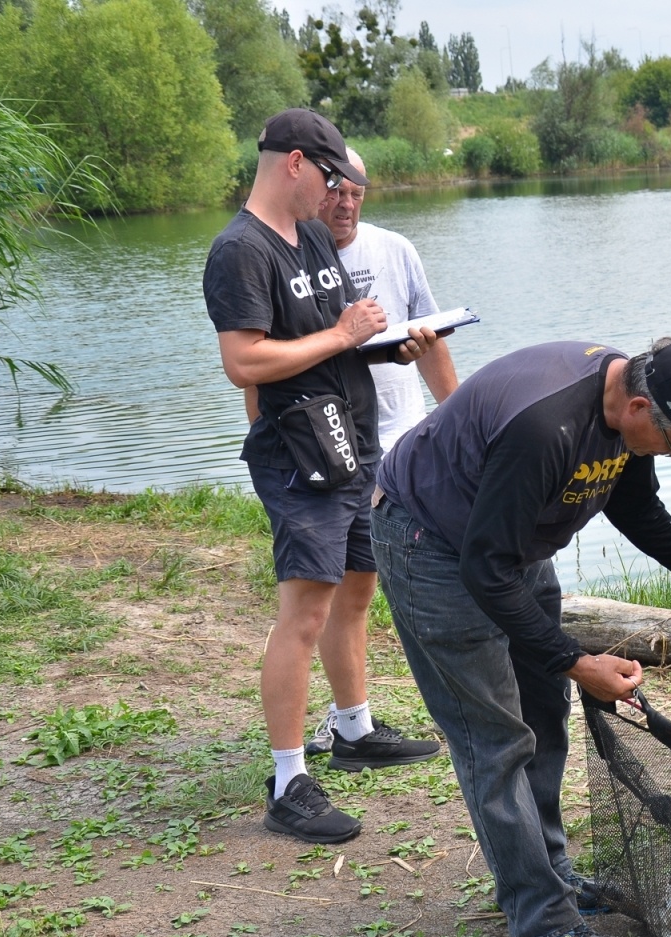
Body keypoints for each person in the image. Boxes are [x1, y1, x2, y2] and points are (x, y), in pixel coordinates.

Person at [370, 337, 671, 937]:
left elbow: (635, 508)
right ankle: (539, 920)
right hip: (435, 548)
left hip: (511, 549)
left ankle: (551, 873)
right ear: (640, 406)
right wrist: (577, 661)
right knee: (495, 740)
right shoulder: (545, 427)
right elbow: (484, 567)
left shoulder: (627, 411)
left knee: (544, 715)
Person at [203, 108, 441, 846]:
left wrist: (383, 347)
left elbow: (331, 339)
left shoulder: (309, 237)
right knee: (303, 614)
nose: (338, 196)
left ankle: (353, 729)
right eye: (331, 177)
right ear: (297, 163)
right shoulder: (239, 251)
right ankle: (287, 781)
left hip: (352, 442)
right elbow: (245, 360)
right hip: (297, 453)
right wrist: (342, 334)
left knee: (357, 589)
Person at [299, 145, 460, 758]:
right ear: (311, 183)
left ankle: (356, 724)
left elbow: (434, 338)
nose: (344, 204)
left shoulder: (395, 251)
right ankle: (344, 726)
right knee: (331, 590)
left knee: (384, 582)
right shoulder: (288, 259)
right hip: (327, 446)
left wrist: (461, 417)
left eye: (355, 193)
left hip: (402, 444)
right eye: (334, 190)